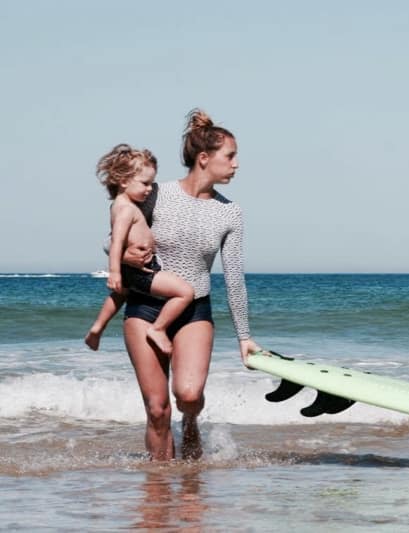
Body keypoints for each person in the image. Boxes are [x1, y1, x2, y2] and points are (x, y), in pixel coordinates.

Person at [121, 109, 262, 460]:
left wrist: (244, 337)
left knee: (187, 394)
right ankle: (160, 488)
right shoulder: (157, 195)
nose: (236, 164)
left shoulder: (230, 212)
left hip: (195, 309)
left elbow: (234, 277)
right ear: (204, 158)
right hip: (146, 306)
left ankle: (192, 421)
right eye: (229, 156)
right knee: (157, 410)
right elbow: (116, 236)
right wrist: (123, 257)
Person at [84, 145, 195, 355]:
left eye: (152, 184)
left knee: (120, 295)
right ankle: (158, 328)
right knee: (185, 292)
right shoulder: (126, 209)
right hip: (143, 270)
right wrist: (114, 271)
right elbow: (116, 241)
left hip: (133, 269)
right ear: (124, 181)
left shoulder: (119, 204)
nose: (150, 189)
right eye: (144, 183)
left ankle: (97, 328)